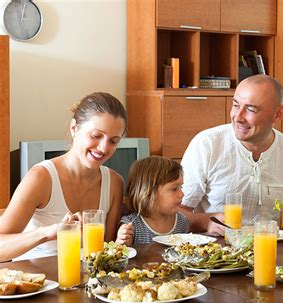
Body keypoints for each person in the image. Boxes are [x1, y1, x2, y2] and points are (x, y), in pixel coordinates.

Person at [0, 92, 127, 262]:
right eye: (96, 136)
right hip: (37, 282)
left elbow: (105, 251)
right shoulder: (41, 178)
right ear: (74, 128)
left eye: (113, 141)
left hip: (86, 284)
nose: (104, 148)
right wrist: (48, 233)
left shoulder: (114, 184)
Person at [180, 75, 283, 235]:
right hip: (216, 254)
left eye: (251, 109)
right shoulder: (207, 145)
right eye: (236, 105)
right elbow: (175, 212)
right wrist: (206, 222)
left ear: (278, 114)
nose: (238, 117)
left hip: (272, 252)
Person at [116, 156, 191, 245]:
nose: (182, 194)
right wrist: (121, 241)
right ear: (149, 193)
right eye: (174, 189)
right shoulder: (132, 225)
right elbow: (120, 253)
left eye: (181, 187)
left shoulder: (182, 222)